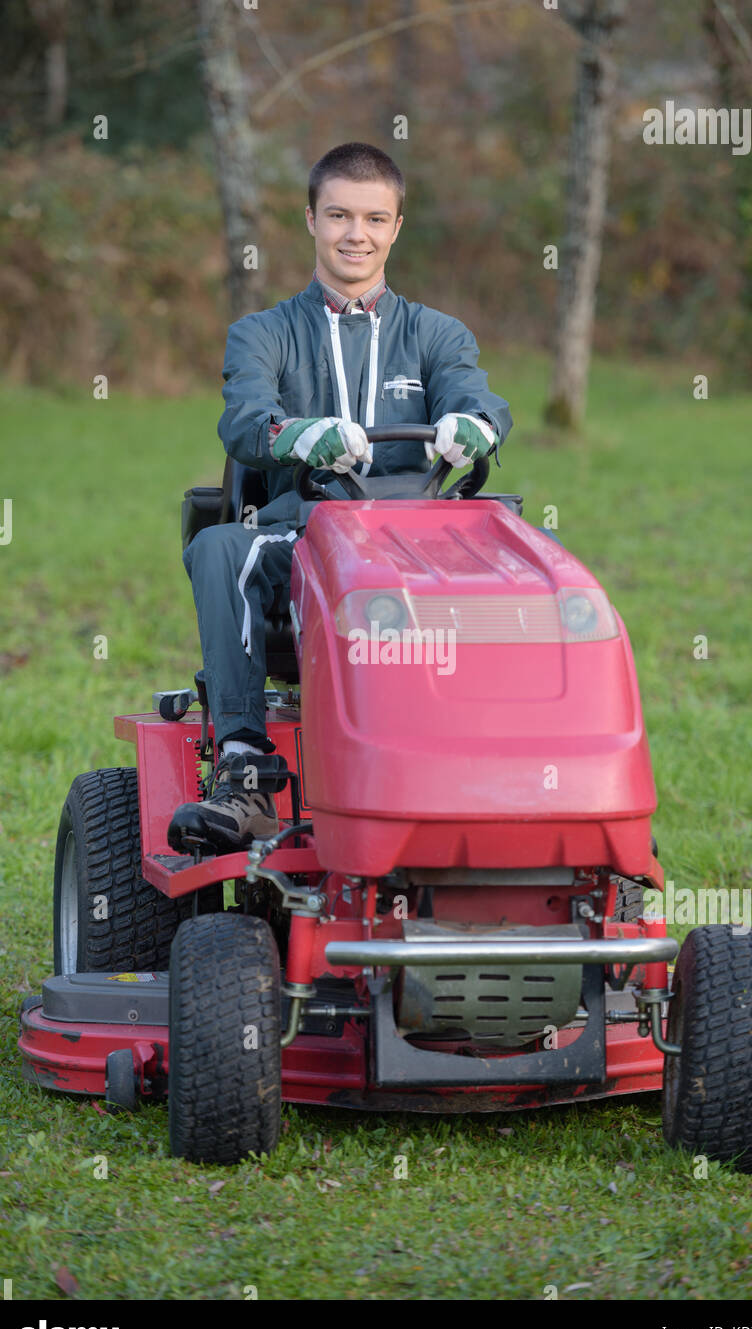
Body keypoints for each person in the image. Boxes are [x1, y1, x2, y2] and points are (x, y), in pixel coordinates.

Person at [168, 142, 513, 855]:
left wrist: (475, 426)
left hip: (415, 548)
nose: (355, 234)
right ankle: (244, 772)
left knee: (527, 558)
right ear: (310, 221)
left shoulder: (436, 334)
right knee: (219, 545)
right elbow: (243, 421)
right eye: (339, 216)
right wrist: (296, 435)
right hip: (302, 540)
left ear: (396, 228)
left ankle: (514, 768)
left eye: (373, 218)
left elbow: (478, 400)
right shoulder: (261, 333)